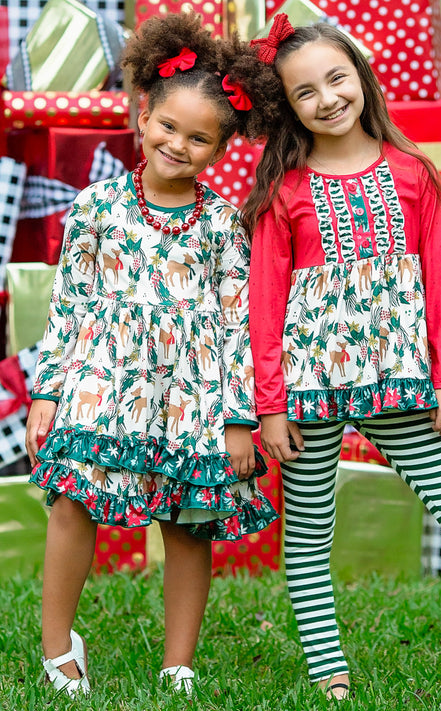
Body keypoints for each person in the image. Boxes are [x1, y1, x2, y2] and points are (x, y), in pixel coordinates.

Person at [240, 13, 441, 701]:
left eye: (335, 78)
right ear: (289, 107)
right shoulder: (283, 190)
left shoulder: (413, 174)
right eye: (304, 91)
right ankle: (329, 674)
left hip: (399, 385)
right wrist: (270, 404)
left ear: (361, 78)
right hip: (309, 391)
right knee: (309, 533)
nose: (327, 98)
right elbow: (263, 304)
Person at [25, 12, 278, 698]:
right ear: (144, 114)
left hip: (191, 394)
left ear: (222, 149)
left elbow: (236, 325)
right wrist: (47, 391)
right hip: (99, 384)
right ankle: (58, 644)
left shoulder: (224, 224)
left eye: (199, 138)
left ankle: (178, 661)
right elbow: (69, 303)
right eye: (169, 126)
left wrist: (235, 418)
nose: (178, 144)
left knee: (188, 521)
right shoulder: (97, 207)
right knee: (73, 502)